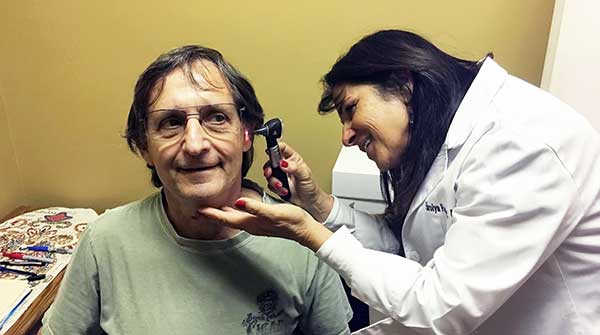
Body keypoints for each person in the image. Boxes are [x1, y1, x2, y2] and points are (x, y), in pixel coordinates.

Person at [199, 30, 600, 334]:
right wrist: (318, 205)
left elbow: (441, 305)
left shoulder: (520, 143)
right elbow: (409, 254)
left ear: (403, 84)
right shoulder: (445, 136)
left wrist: (310, 234)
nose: (347, 136)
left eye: (350, 110)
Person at [40, 45, 352, 335]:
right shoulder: (104, 243)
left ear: (246, 134)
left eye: (216, 118)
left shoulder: (301, 241)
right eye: (171, 123)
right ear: (144, 146)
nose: (194, 144)